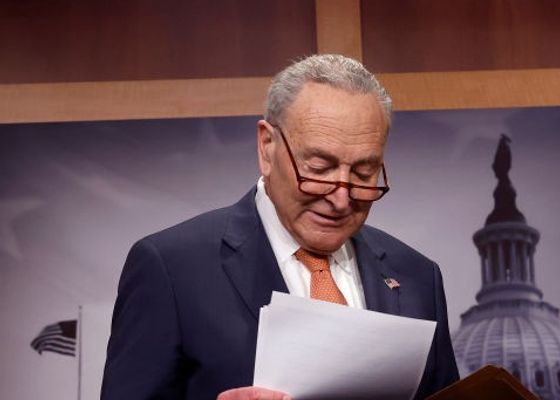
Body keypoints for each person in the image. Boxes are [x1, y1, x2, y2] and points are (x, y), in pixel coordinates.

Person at [102, 54, 459, 399]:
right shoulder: (171, 269)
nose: (340, 198)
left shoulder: (418, 277)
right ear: (267, 146)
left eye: (364, 174)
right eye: (319, 169)